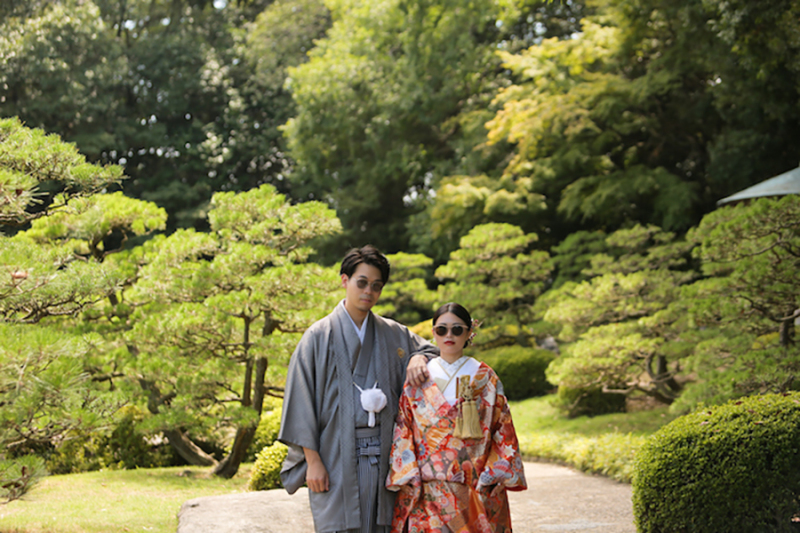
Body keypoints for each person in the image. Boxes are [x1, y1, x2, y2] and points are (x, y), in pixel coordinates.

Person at [278, 245, 438, 533]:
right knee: (338, 524)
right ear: (344, 280)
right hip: (334, 454)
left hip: (385, 453)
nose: (369, 291)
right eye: (361, 282)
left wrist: (417, 356)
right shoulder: (318, 336)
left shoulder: (393, 333)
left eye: (376, 286)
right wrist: (312, 461)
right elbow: (300, 401)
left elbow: (431, 350)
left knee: (383, 525)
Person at [386, 302, 527, 533]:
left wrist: (491, 476)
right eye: (441, 330)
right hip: (429, 490)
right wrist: (409, 475)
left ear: (469, 333)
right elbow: (404, 430)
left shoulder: (485, 377)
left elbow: (503, 429)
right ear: (433, 333)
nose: (448, 335)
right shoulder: (420, 378)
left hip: (475, 486)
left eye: (457, 329)